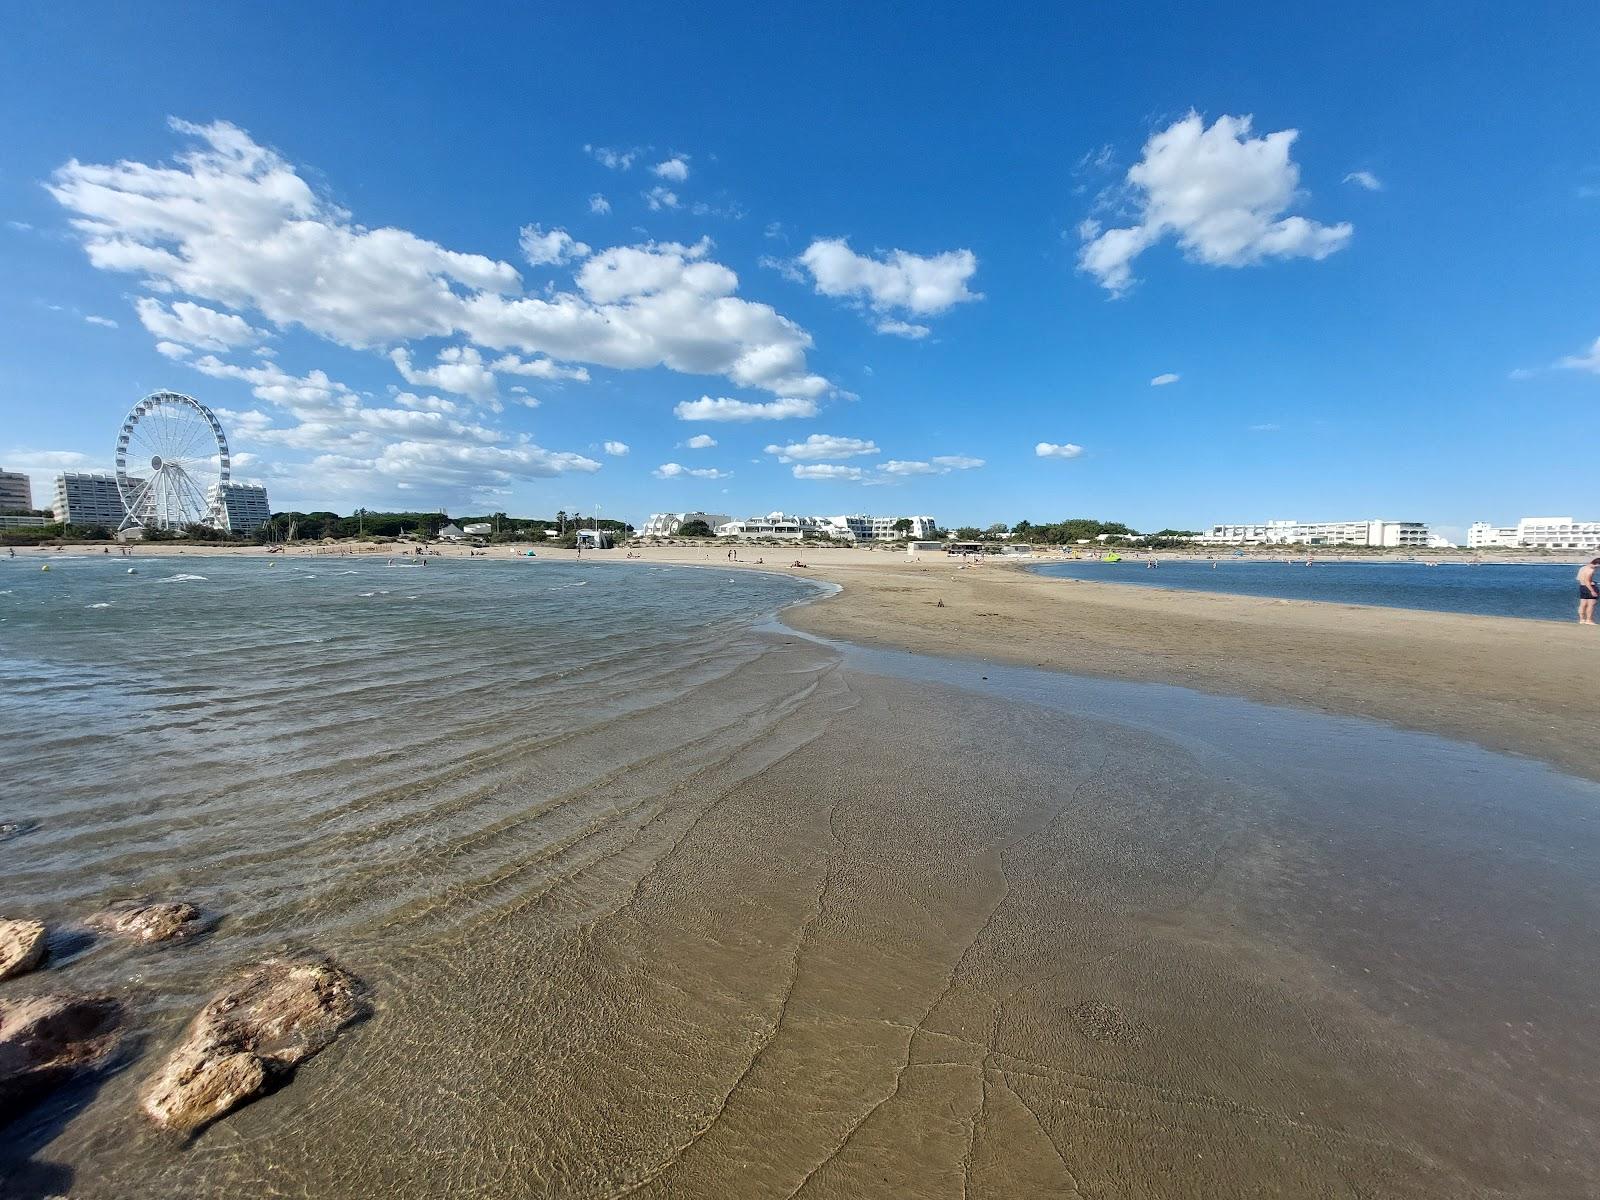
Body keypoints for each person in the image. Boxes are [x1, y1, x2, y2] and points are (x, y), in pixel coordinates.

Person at [1579, 558, 1600, 625]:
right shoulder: (1591, 570)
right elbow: (1587, 581)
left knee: (1583, 604)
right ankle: (1589, 620)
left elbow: (1579, 578)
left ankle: (1582, 620)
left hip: (1582, 587)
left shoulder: (1583, 568)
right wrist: (1592, 591)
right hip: (1589, 587)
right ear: (1597, 564)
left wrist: (1592, 582)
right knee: (1591, 604)